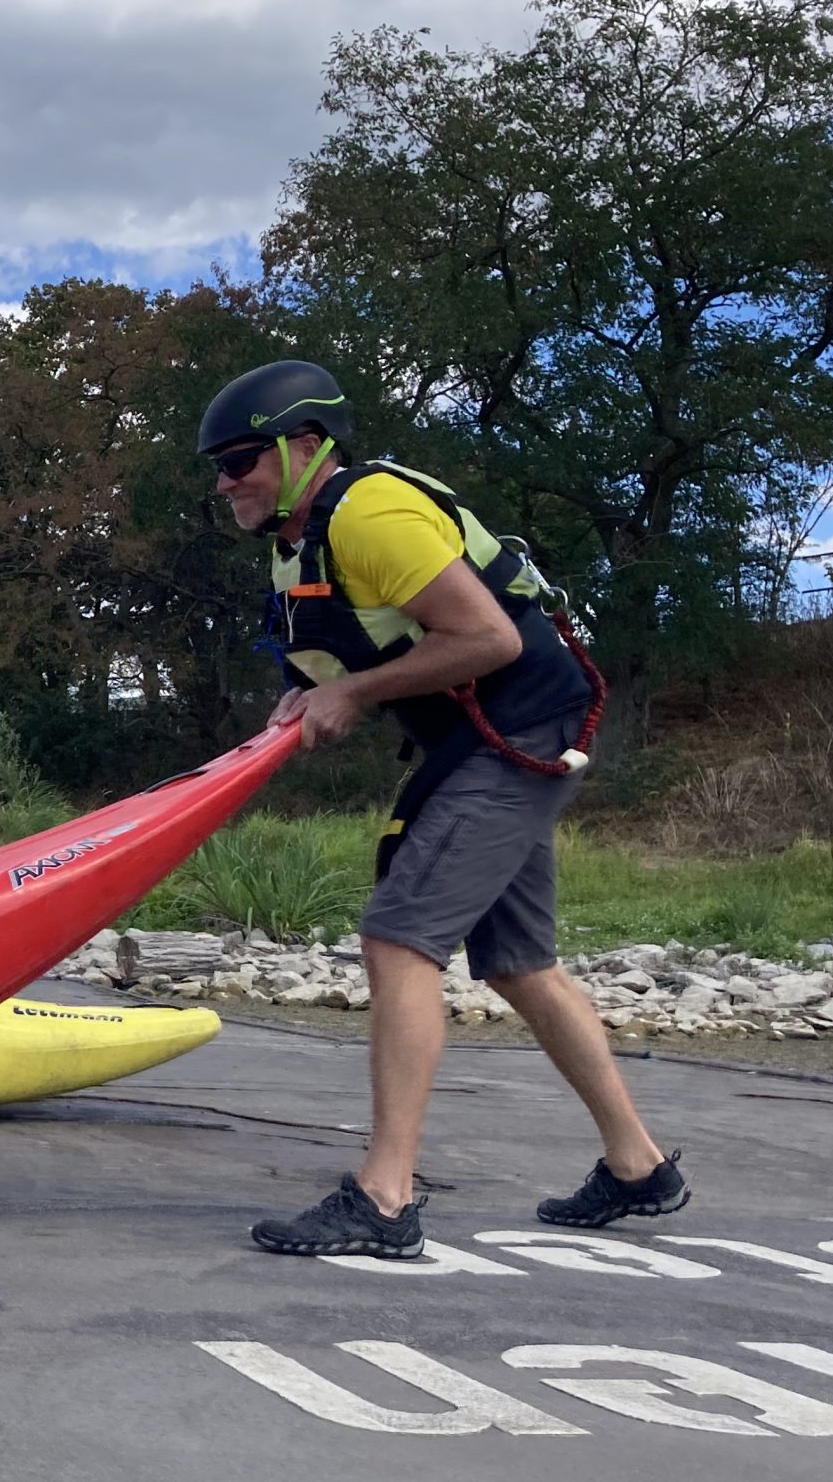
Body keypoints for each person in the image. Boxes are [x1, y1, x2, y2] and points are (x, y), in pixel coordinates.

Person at [200, 359, 689, 1259]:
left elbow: (489, 636)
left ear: (304, 446)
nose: (227, 482)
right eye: (218, 468)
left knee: (398, 936)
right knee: (517, 961)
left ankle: (384, 1201)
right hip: (480, 741)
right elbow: (335, 652)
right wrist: (301, 702)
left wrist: (355, 696)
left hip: (522, 731)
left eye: (239, 461)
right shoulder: (296, 541)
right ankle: (638, 1166)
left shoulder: (370, 514)